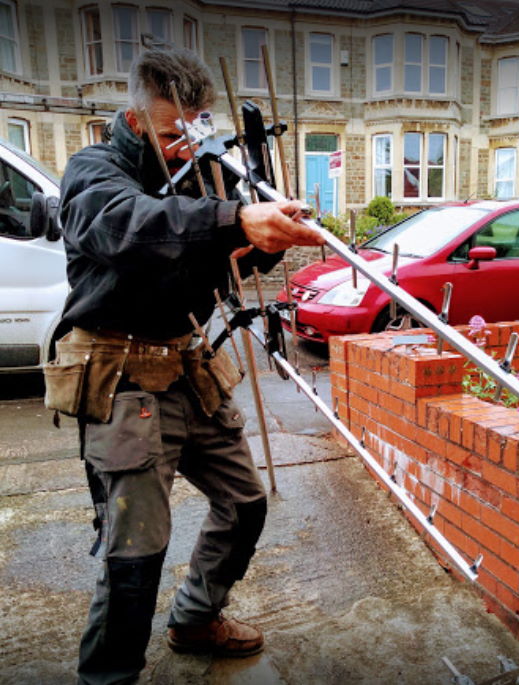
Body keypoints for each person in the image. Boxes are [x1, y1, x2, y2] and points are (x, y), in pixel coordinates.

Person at [52, 47, 324, 685]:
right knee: (135, 549)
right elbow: (129, 225)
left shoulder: (208, 176)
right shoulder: (95, 170)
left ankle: (196, 616)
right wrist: (232, 217)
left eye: (195, 128)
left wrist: (264, 234)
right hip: (119, 372)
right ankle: (109, 675)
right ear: (135, 118)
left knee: (245, 502)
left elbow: (227, 260)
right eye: (171, 132)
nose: (184, 145)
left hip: (187, 360)